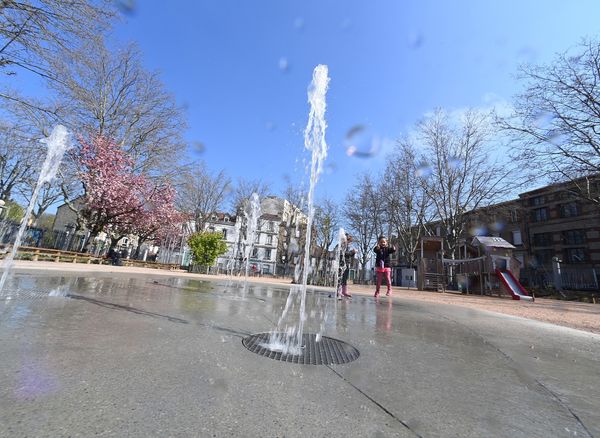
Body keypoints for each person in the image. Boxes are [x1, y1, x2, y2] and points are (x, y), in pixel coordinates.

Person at [338, 233, 357, 298]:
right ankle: (339, 291)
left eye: (349, 241)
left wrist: (353, 253)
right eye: (347, 240)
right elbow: (343, 254)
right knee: (340, 278)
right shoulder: (340, 246)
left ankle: (344, 291)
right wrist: (352, 252)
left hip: (346, 264)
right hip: (341, 264)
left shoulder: (347, 247)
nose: (348, 242)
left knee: (345, 278)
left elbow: (349, 256)